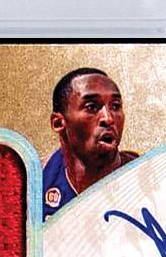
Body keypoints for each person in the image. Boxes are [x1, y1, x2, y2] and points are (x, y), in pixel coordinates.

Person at [42, 67, 139, 218]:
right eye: (92, 107)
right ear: (58, 123)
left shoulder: (146, 178)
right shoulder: (35, 182)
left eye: (115, 106)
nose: (108, 118)